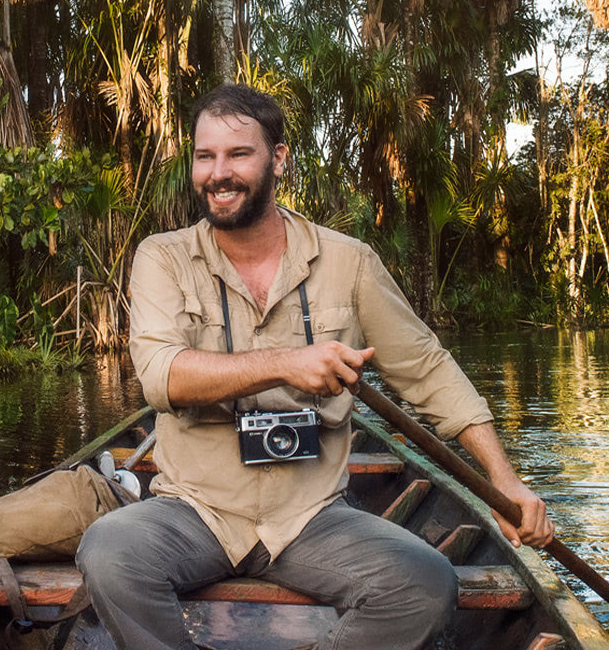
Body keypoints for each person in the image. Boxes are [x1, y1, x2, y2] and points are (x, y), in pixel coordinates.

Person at [76, 84, 554, 650]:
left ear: (279, 159)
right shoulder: (164, 256)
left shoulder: (348, 262)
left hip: (312, 516)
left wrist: (505, 481)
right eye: (205, 157)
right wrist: (286, 364)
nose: (217, 173)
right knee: (108, 554)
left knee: (426, 585)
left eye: (238, 154)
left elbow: (428, 371)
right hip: (194, 510)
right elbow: (161, 376)